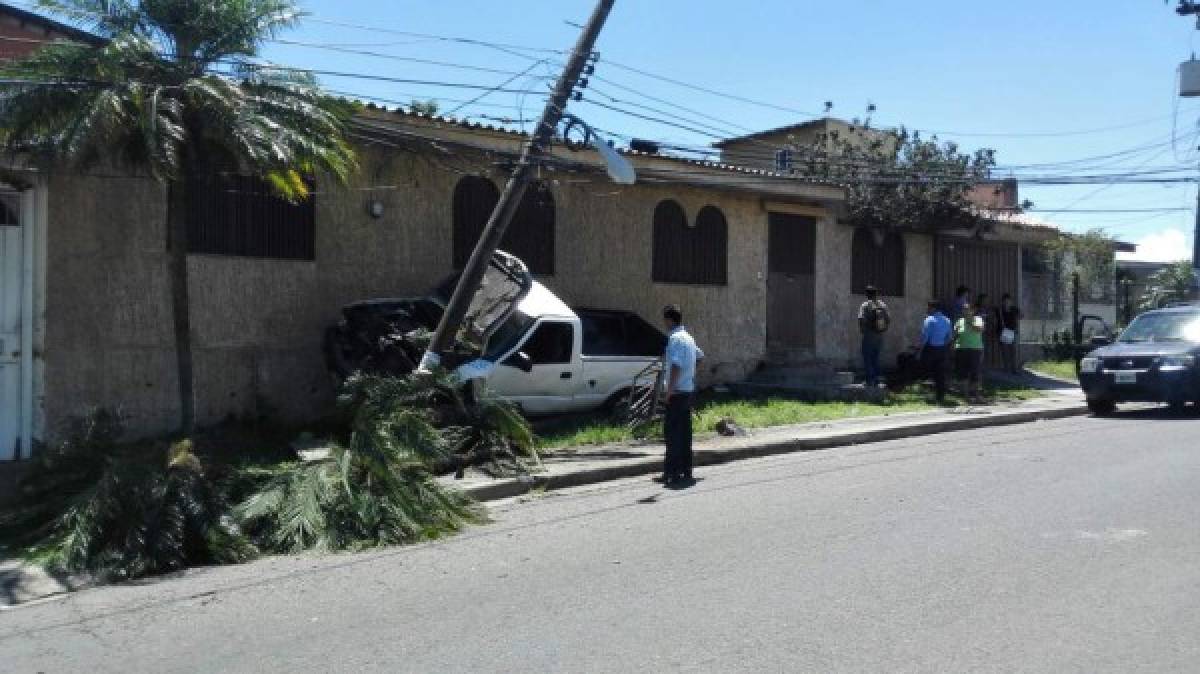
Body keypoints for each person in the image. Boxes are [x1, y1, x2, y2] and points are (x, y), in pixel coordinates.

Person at [659, 305, 703, 487]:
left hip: (676, 394)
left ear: (669, 320)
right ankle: (686, 469)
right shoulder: (689, 338)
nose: (664, 323)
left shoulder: (675, 339)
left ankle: (672, 472)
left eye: (665, 320)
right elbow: (700, 356)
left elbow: (676, 365)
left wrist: (669, 390)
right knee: (685, 434)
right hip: (688, 392)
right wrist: (689, 374)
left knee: (672, 434)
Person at [918, 301, 954, 403]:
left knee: (926, 372)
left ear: (933, 308)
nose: (927, 310)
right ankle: (940, 396)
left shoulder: (929, 320)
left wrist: (919, 348)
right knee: (940, 374)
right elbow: (949, 337)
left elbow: (925, 337)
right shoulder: (947, 320)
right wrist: (942, 344)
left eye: (928, 308)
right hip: (942, 349)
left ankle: (927, 395)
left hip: (930, 349)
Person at [858, 285, 890, 387]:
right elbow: (888, 319)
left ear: (867, 294)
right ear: (876, 294)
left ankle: (869, 380)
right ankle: (876, 380)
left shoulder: (865, 305)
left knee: (867, 357)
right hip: (879, 336)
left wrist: (862, 329)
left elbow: (861, 318)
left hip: (869, 334)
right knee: (875, 358)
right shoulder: (882, 305)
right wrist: (882, 328)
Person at [954, 303, 986, 403]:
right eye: (964, 309)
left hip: (975, 350)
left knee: (975, 373)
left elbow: (980, 329)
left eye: (967, 309)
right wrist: (953, 344)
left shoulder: (978, 319)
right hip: (962, 349)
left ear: (973, 310)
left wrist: (969, 322)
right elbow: (955, 334)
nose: (965, 311)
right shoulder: (959, 321)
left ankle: (976, 395)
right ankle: (966, 396)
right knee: (963, 373)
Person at [997, 293, 1021, 374]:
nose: (1007, 302)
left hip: (1013, 331)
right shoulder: (1000, 310)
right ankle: (1006, 368)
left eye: (1008, 301)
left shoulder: (1014, 309)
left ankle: (1014, 368)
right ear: (1002, 302)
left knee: (1013, 350)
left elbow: (1021, 316)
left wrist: (1019, 316)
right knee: (1005, 351)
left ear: (1011, 301)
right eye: (1005, 301)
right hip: (1004, 332)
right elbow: (995, 319)